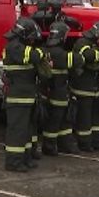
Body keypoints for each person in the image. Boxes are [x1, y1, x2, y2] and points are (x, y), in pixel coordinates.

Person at [1, 17, 49, 172]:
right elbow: (35, 56)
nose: (32, 41)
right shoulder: (14, 47)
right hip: (18, 97)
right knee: (17, 131)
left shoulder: (20, 46)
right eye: (30, 37)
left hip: (27, 96)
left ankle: (25, 158)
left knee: (27, 131)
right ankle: (13, 162)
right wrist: (43, 52)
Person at [70, 21, 99, 152]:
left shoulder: (96, 44)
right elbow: (89, 56)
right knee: (84, 117)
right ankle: (84, 143)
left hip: (95, 88)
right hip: (83, 88)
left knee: (97, 117)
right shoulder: (82, 43)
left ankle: (97, 142)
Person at [41, 21, 80, 156]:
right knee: (56, 120)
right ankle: (49, 146)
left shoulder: (44, 51)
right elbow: (77, 60)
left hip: (50, 92)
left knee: (62, 119)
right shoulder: (60, 54)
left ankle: (64, 144)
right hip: (58, 93)